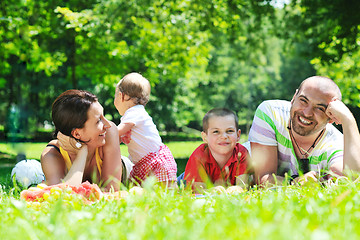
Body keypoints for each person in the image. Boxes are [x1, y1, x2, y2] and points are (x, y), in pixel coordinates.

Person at [249, 76, 360, 185]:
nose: (307, 113)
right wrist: (295, 182)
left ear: (331, 117)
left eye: (320, 108)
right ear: (294, 98)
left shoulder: (336, 143)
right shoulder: (270, 114)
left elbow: (351, 180)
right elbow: (262, 179)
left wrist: (348, 119)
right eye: (303, 101)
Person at [41, 90, 131, 191]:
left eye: (103, 116)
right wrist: (82, 153)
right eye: (98, 121)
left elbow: (111, 190)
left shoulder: (109, 132)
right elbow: (61, 196)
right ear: (77, 134)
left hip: (125, 169)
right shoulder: (52, 154)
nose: (107, 124)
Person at [114, 72, 177, 186]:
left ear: (121, 96)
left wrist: (103, 131)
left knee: (163, 193)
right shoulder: (136, 113)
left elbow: (116, 132)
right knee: (151, 195)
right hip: (145, 163)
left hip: (156, 163)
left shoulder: (134, 112)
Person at [183, 108, 252, 191]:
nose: (223, 136)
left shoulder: (241, 153)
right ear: (205, 137)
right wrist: (212, 191)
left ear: (238, 135)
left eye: (229, 131)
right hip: (189, 178)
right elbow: (197, 190)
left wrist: (236, 189)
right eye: (216, 131)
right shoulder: (198, 156)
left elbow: (243, 185)